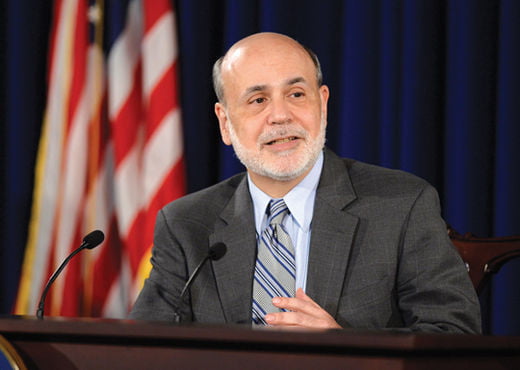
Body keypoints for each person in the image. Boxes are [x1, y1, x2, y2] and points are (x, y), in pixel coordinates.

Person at [130, 32, 481, 333]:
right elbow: (145, 350)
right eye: (258, 100)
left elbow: (453, 334)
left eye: (296, 94)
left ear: (323, 103)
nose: (281, 116)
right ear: (225, 123)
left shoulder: (401, 205)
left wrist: (345, 350)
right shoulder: (186, 225)